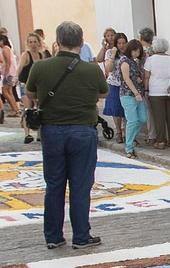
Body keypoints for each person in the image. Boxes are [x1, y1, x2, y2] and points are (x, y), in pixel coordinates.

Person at [26, 21, 108, 250]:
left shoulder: (41, 67)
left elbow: (30, 92)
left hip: (51, 130)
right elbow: (104, 92)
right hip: (82, 129)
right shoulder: (91, 69)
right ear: (81, 43)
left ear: (57, 42)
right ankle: (81, 235)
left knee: (54, 184)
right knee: (81, 185)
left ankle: (53, 236)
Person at [115, 39, 148, 157]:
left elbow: (135, 76)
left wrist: (139, 80)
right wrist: (136, 93)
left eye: (138, 51)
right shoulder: (125, 61)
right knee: (132, 120)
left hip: (137, 92)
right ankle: (129, 147)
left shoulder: (134, 62)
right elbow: (126, 78)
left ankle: (130, 138)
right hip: (128, 94)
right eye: (134, 51)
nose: (136, 53)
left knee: (143, 119)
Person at [144, 37, 170, 149]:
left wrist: (146, 89)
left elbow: (147, 77)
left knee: (159, 118)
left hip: (156, 92)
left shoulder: (150, 60)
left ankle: (160, 141)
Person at [17, 30, 47, 144]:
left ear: (39, 43)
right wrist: (15, 77)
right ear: (27, 43)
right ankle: (27, 134)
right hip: (25, 84)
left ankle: (39, 133)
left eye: (35, 42)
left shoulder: (41, 55)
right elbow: (20, 67)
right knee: (28, 108)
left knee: (38, 108)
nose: (33, 44)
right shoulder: (26, 55)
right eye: (30, 42)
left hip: (37, 86)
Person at [100, 32, 127, 142]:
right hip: (114, 84)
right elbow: (109, 68)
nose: (121, 45)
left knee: (126, 110)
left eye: (123, 43)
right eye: (119, 43)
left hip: (126, 84)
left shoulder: (127, 54)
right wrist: (113, 55)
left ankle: (125, 132)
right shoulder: (110, 52)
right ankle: (118, 132)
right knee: (116, 109)